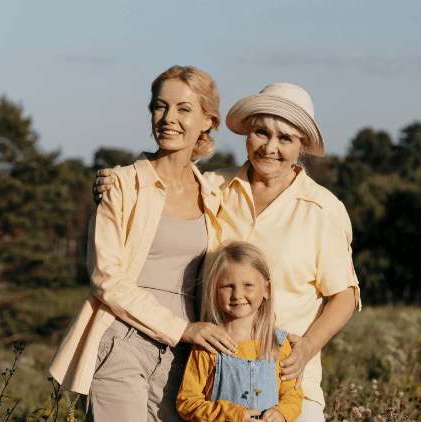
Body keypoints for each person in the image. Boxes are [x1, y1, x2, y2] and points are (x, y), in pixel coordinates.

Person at [94, 82, 361, 422]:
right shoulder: (211, 187)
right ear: (248, 132)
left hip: (287, 387)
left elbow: (345, 294)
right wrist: (117, 183)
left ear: (302, 146)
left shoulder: (323, 209)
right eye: (262, 132)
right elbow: (158, 187)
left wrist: (307, 348)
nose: (270, 147)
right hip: (210, 383)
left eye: (286, 139)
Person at [49, 65, 240, 422]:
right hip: (123, 340)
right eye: (159, 106)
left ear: (207, 121)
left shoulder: (215, 194)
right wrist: (181, 329)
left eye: (184, 109)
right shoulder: (121, 185)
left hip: (187, 355)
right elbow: (106, 278)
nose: (168, 118)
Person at [176, 240, 303, 422]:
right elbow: (187, 402)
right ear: (215, 290)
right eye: (228, 286)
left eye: (248, 285)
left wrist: (282, 413)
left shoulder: (279, 344)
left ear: (266, 288)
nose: (237, 294)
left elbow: (292, 394)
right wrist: (230, 414)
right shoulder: (208, 344)